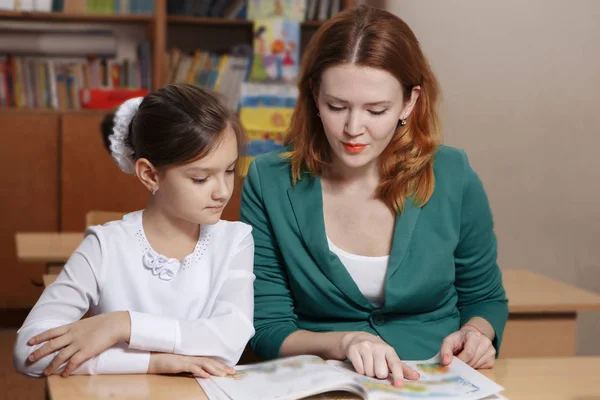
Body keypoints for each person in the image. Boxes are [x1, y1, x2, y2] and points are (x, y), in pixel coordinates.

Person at [240, 5, 508, 388]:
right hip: (322, 388)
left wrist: (477, 333)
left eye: (376, 110)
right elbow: (267, 326)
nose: (353, 129)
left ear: (409, 102)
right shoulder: (269, 182)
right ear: (314, 95)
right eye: (336, 107)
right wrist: (345, 342)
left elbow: (485, 299)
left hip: (436, 383)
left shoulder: (453, 175)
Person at [14, 84, 255, 378]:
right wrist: (152, 363)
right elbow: (29, 354)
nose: (223, 191)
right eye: (201, 178)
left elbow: (229, 341)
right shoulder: (105, 245)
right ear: (150, 175)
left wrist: (122, 325)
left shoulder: (235, 241)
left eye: (229, 170)